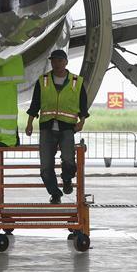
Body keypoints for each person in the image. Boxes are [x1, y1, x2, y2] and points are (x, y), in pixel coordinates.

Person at [25, 49, 89, 204]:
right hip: (47, 127)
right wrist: (29, 123)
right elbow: (35, 104)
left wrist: (82, 122)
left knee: (68, 160)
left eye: (60, 60)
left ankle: (67, 179)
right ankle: (55, 193)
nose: (57, 63)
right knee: (45, 167)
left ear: (66, 62)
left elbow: (83, 105)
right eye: (54, 60)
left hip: (67, 127)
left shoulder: (76, 81)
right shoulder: (43, 80)